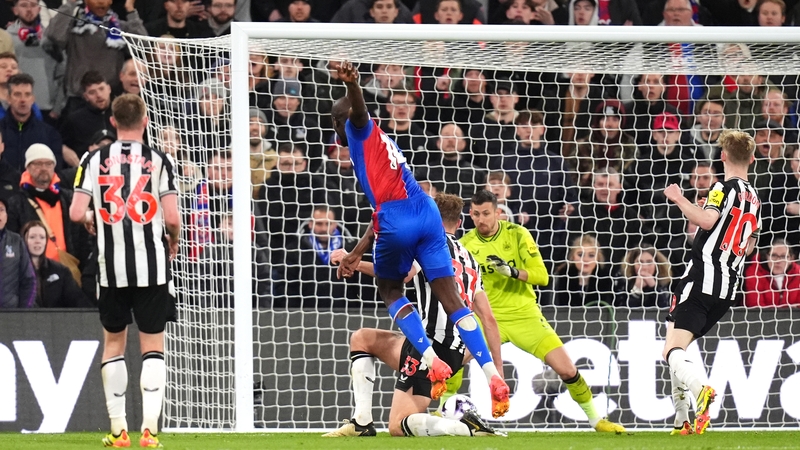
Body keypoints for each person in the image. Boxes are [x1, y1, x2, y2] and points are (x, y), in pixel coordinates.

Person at [331, 61, 510, 416]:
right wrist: (355, 252)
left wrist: (352, 85)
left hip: (396, 217)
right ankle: (492, 373)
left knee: (391, 289)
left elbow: (358, 113)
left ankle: (431, 359)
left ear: (340, 122)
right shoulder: (384, 143)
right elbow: (379, 216)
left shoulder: (358, 130)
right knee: (453, 298)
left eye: (335, 121)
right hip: (426, 211)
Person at [324, 193, 505, 437]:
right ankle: (361, 422)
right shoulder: (471, 260)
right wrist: (495, 372)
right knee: (363, 339)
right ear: (460, 222)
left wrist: (355, 262)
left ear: (429, 218)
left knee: (398, 426)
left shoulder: (429, 245)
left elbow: (403, 274)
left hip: (431, 348)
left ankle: (462, 426)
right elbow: (488, 319)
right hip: (451, 347)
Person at [454, 189, 626, 433]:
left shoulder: (518, 234)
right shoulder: (465, 244)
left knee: (567, 369)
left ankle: (596, 420)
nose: (480, 219)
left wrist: (513, 272)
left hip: (525, 315)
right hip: (486, 318)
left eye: (486, 213)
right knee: (452, 363)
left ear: (498, 213)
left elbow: (542, 276)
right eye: (476, 214)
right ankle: (440, 414)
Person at [69, 94, 180, 448]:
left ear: (113, 121)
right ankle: (149, 431)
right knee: (153, 346)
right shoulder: (159, 159)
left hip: (111, 268)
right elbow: (173, 218)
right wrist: (173, 240)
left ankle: (119, 432)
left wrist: (92, 217)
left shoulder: (92, 159)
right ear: (145, 121)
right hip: (152, 267)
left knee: (114, 344)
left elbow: (76, 213)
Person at [662, 129, 762, 436]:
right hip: (728, 288)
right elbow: (750, 246)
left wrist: (678, 198)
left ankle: (700, 390)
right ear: (752, 159)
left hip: (701, 277)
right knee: (675, 347)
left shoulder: (721, 187)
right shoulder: (755, 199)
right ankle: (682, 421)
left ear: (723, 156)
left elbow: (706, 221)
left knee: (672, 351)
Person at [21, 220, 91, 307]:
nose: (37, 241)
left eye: (42, 237)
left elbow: (78, 299)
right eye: (32, 237)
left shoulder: (61, 271)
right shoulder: (15, 271)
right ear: (23, 240)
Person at [0, 197, 37, 308]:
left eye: (1, 210)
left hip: (10, 312)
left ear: (6, 216)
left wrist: (23, 311)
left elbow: (28, 280)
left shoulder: (16, 241)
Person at [743, 239, 800, 307]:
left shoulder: (798, 273)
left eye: (783, 256)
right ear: (767, 257)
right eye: (774, 255)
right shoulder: (754, 272)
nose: (778, 261)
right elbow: (755, 305)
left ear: (791, 259)